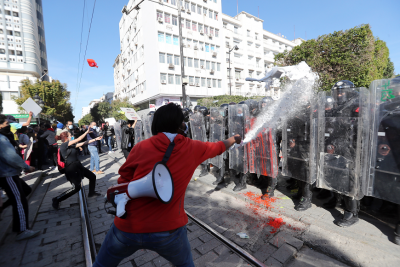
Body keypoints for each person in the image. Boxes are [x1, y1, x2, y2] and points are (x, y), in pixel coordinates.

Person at [93, 103, 242, 267]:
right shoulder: (193, 147)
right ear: (180, 125)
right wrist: (234, 139)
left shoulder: (141, 147)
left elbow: (123, 182)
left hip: (128, 228)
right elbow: (219, 147)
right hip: (169, 230)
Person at [0, 114, 40, 241]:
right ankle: (22, 230)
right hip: (8, 174)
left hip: (11, 173)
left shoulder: (5, 137)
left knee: (26, 190)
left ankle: (2, 208)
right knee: (19, 201)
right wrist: (26, 167)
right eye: (7, 124)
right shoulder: (1, 139)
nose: (9, 126)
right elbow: (10, 156)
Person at [52, 130, 102, 210]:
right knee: (76, 187)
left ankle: (91, 193)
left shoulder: (71, 145)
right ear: (66, 137)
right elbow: (79, 139)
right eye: (69, 135)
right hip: (71, 168)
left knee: (92, 176)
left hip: (77, 165)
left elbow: (84, 143)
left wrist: (96, 139)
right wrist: (86, 132)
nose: (71, 136)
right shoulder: (64, 145)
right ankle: (57, 199)